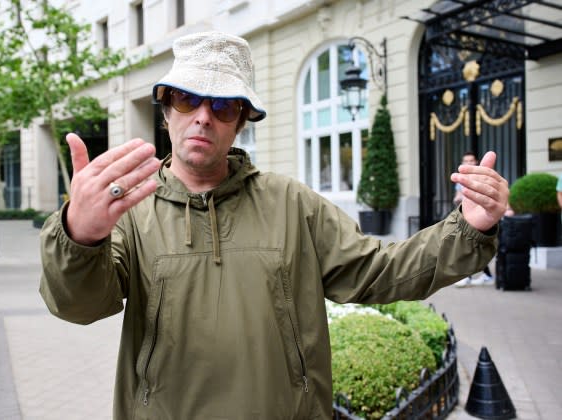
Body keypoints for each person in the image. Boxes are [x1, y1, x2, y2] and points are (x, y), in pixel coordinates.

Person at [39, 31, 509, 420]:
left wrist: (468, 227)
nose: (204, 117)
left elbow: (379, 270)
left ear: (242, 119)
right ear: (166, 110)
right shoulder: (133, 212)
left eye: (223, 105)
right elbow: (80, 306)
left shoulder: (290, 203)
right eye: (188, 99)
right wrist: (81, 235)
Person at [453, 151, 495, 287]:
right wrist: (458, 198)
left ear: (476, 162)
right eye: (466, 161)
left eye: (471, 160)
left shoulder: (483, 177)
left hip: (479, 218)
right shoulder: (461, 179)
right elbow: (458, 196)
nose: (469, 163)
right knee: (471, 246)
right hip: (466, 217)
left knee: (471, 246)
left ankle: (468, 276)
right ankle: (485, 275)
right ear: (462, 163)